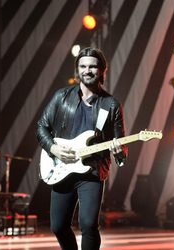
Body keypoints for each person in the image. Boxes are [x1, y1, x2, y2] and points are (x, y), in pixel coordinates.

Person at [36, 47, 128, 250]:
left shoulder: (110, 104)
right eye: (83, 66)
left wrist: (118, 150)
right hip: (62, 167)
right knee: (58, 226)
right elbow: (42, 127)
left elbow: (120, 144)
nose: (87, 70)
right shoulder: (61, 96)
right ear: (77, 70)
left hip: (92, 172)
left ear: (102, 70)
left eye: (93, 66)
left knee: (88, 224)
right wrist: (54, 149)